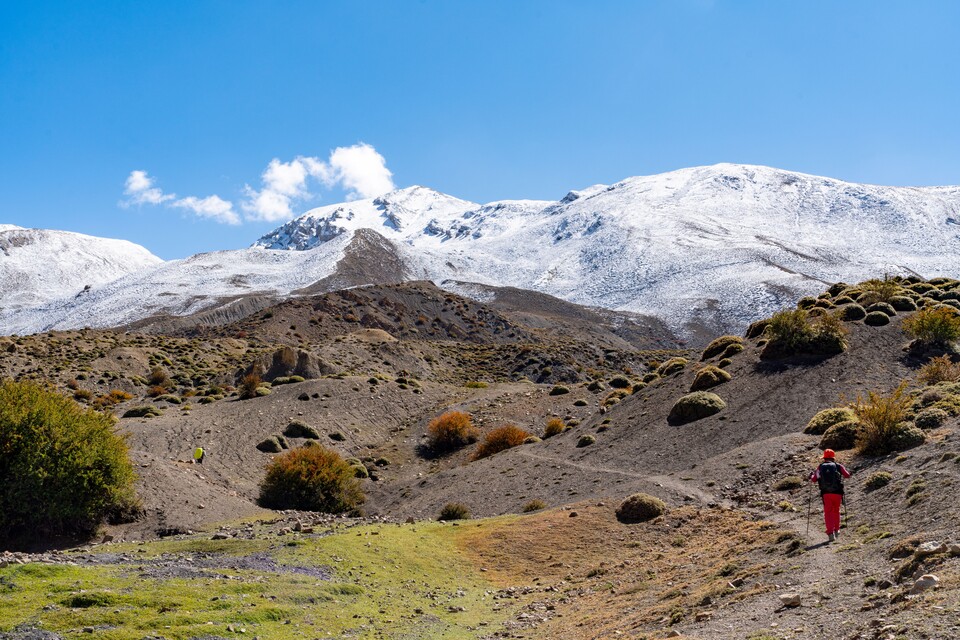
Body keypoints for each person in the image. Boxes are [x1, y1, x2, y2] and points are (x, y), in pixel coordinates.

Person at [808, 449, 851, 542]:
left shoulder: (820, 467)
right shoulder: (838, 466)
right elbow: (847, 475)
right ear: (833, 457)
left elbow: (814, 479)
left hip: (826, 493)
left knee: (828, 512)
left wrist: (811, 475)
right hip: (837, 492)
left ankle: (830, 533)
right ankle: (837, 530)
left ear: (824, 458)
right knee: (836, 510)